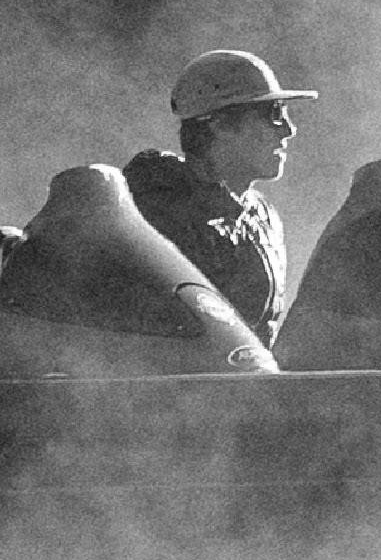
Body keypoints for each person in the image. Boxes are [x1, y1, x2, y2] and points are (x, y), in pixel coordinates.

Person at [123, 48, 317, 352]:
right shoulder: (156, 216)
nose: (288, 130)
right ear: (220, 126)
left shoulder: (262, 214)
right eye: (273, 114)